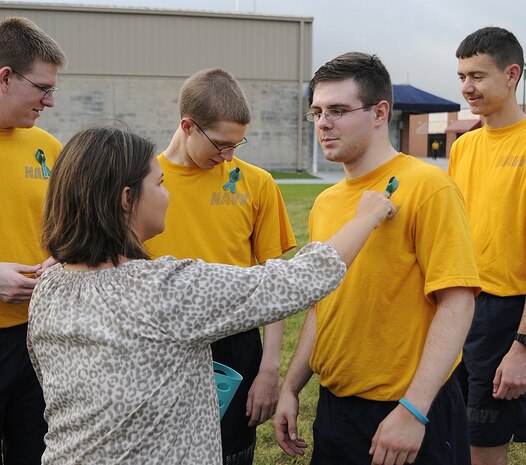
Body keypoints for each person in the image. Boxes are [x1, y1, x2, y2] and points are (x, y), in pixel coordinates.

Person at [26, 124, 396, 465]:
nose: (167, 194)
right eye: (159, 184)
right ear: (127, 198)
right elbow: (293, 281)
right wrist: (365, 218)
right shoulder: (164, 289)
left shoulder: (49, 287)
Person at [273, 52, 481, 465]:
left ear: (379, 112)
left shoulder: (428, 187)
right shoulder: (326, 203)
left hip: (409, 411)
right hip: (336, 411)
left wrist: (414, 409)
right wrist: (291, 387)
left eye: (337, 110)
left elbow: (457, 303)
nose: (323, 123)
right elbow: (324, 306)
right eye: (316, 111)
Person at [144, 68, 296, 464]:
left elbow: (274, 283)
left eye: (237, 144)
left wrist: (268, 369)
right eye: (222, 144)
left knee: (231, 456)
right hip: (161, 346)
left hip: (235, 345)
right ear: (187, 125)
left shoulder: (257, 183)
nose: (229, 156)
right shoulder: (145, 184)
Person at [449, 27, 526, 465]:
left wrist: (522, 346)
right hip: (460, 307)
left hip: (508, 314)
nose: (466, 87)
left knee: (485, 445)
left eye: (477, 76)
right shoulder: (465, 147)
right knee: (455, 431)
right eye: (461, 76)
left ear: (511, 74)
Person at [0, 16, 66, 465]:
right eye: (41, 88)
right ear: (5, 77)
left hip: (39, 338)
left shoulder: (47, 146)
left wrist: (62, 260)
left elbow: (69, 228)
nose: (49, 102)